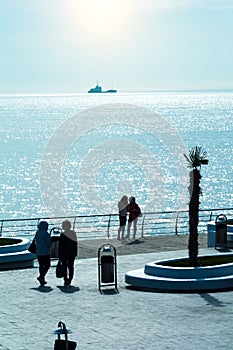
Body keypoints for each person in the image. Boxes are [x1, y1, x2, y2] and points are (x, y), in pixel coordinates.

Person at [58, 220, 78, 286]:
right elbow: (75, 243)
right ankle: (70, 279)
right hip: (71, 253)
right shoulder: (73, 233)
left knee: (65, 266)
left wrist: (59, 254)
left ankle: (66, 279)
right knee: (70, 266)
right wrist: (75, 252)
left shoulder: (62, 234)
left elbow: (60, 246)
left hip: (64, 253)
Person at [35, 221, 51, 286]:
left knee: (41, 265)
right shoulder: (46, 233)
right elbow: (48, 244)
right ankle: (41, 277)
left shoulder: (37, 232)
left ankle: (42, 279)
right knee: (47, 265)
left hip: (38, 252)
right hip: (45, 252)